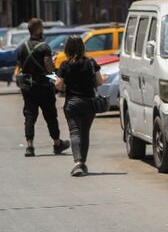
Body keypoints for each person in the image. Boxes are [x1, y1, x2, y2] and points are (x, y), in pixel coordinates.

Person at [16, 18, 70, 158]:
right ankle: (57, 143)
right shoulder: (44, 47)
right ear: (39, 30)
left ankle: (30, 146)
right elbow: (49, 68)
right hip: (43, 87)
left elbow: (20, 66)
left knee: (29, 115)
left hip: (28, 86)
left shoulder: (22, 47)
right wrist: (53, 64)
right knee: (50, 115)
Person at [55, 36, 104, 177]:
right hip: (89, 103)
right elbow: (99, 81)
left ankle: (77, 163)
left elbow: (58, 85)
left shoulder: (65, 65)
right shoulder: (91, 63)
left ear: (67, 48)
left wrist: (66, 86)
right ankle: (82, 163)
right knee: (84, 133)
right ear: (82, 47)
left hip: (72, 103)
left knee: (75, 132)